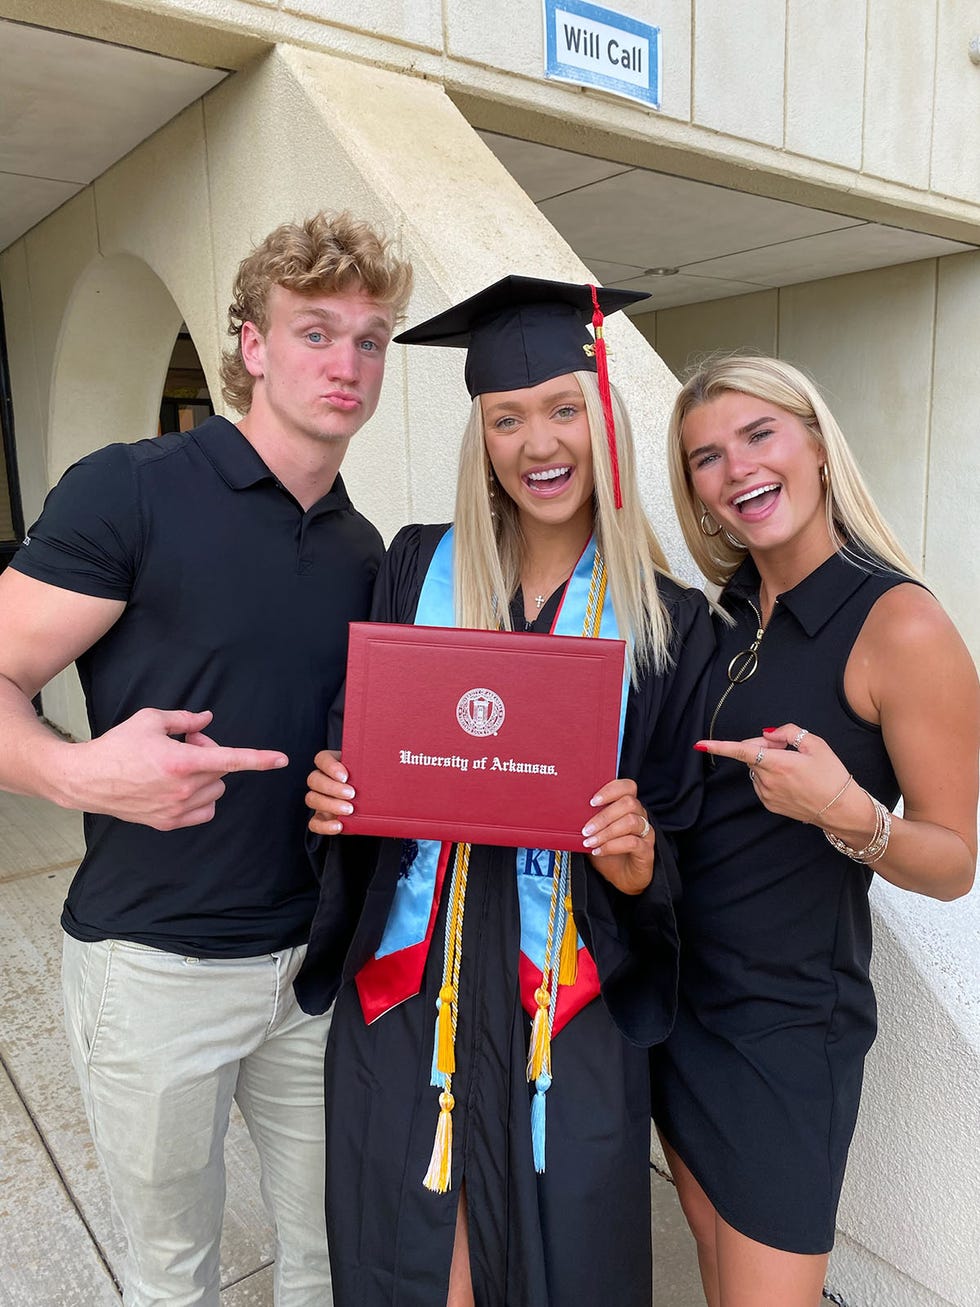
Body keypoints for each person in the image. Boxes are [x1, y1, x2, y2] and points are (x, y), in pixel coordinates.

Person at [0, 212, 413, 1306]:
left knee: (328, 1253)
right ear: (251, 345)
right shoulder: (131, 488)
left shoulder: (359, 546)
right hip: (155, 966)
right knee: (172, 1270)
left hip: (311, 972)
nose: (347, 363)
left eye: (370, 339)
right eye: (316, 331)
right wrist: (79, 772)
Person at [296, 275, 715, 1307]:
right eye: (507, 418)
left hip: (563, 1009)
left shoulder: (668, 625)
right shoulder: (413, 570)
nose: (538, 442)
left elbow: (684, 830)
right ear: (479, 437)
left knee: (559, 1261)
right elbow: (361, 745)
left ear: (601, 420)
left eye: (563, 409)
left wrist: (640, 854)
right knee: (408, 1257)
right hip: (406, 991)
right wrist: (337, 794)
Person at [650, 354, 979, 1307]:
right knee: (717, 1273)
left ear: (816, 445)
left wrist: (848, 812)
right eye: (707, 456)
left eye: (760, 435)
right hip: (685, 1011)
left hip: (785, 1032)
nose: (738, 469)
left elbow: (954, 860)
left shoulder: (899, 623)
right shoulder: (720, 618)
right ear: (698, 493)